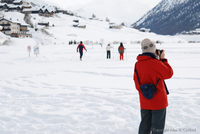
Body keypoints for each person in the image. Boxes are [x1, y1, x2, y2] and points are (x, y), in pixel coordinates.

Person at [133, 38, 173, 134]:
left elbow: (136, 82)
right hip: (159, 102)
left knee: (145, 126)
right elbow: (169, 73)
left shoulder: (137, 64)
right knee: (157, 128)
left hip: (145, 101)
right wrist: (163, 59)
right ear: (153, 50)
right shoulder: (156, 63)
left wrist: (144, 93)